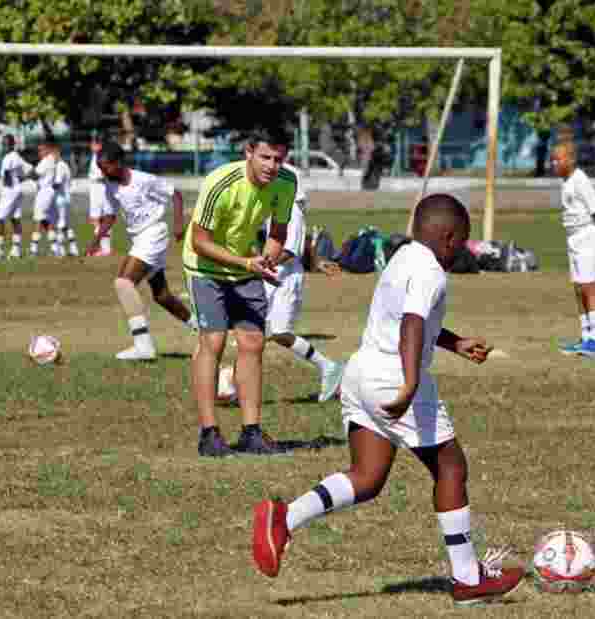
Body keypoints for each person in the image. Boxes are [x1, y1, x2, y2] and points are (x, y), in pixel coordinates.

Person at [251, 194, 526, 605]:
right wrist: (411, 385)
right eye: (462, 243)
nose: (461, 252)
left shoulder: (404, 255)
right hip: (394, 377)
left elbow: (408, 318)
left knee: (368, 475)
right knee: (450, 467)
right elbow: (412, 325)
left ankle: (285, 518)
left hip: (361, 371)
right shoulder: (432, 271)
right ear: (448, 238)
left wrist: (455, 342)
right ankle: (468, 579)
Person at [183, 128, 295, 457]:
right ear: (248, 152)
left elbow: (278, 230)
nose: (272, 166)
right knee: (212, 342)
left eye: (278, 159)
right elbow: (198, 241)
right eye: (265, 157)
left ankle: (251, 432)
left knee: (253, 342)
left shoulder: (286, 183)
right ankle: (209, 434)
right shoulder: (220, 182)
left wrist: (267, 260)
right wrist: (247, 262)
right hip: (205, 267)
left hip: (246, 265)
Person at [217, 163, 346, 405]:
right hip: (275, 274)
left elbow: (289, 251)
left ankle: (230, 380)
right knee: (270, 331)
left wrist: (258, 264)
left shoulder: (293, 212)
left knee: (269, 331)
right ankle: (328, 367)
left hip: (282, 277)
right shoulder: (278, 208)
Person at [88, 141, 194, 360]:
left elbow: (176, 194)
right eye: (99, 167)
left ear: (118, 163)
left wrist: (178, 224)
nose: (102, 171)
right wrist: (97, 238)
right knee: (162, 295)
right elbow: (110, 215)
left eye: (105, 166)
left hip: (154, 233)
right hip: (139, 239)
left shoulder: (144, 180)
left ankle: (143, 346)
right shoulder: (110, 184)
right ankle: (202, 330)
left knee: (123, 283)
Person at [550, 143, 595, 358]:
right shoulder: (567, 182)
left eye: (559, 159)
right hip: (574, 238)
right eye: (553, 160)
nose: (554, 164)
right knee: (578, 287)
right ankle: (585, 336)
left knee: (588, 286)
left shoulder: (580, 180)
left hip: (588, 235)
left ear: (571, 159)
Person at [0, 135, 32, 260]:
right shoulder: (17, 157)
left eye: (6, 144)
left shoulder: (9, 158)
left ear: (12, 144)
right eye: (3, 144)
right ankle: (16, 250)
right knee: (15, 218)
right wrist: (21, 179)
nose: (4, 146)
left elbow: (7, 175)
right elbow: (29, 169)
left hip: (10, 191)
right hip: (17, 189)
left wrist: (5, 187)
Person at [30, 142, 59, 257]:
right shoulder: (51, 160)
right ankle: (55, 248)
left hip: (44, 192)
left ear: (47, 150)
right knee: (47, 221)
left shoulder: (45, 161)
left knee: (38, 219)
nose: (39, 153)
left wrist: (27, 169)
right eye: (39, 151)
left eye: (41, 150)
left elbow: (35, 175)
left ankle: (34, 249)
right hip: (49, 192)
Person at [86, 135, 113, 257]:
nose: (91, 146)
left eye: (94, 143)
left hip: (99, 187)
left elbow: (103, 173)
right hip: (96, 187)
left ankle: (102, 248)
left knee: (96, 219)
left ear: (99, 145)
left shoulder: (101, 157)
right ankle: (104, 248)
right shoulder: (95, 156)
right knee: (100, 219)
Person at [53, 150, 79, 257]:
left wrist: (48, 187)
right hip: (66, 197)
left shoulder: (60, 165)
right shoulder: (65, 166)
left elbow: (58, 183)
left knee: (61, 223)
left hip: (61, 198)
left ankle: (60, 249)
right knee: (67, 224)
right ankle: (74, 248)